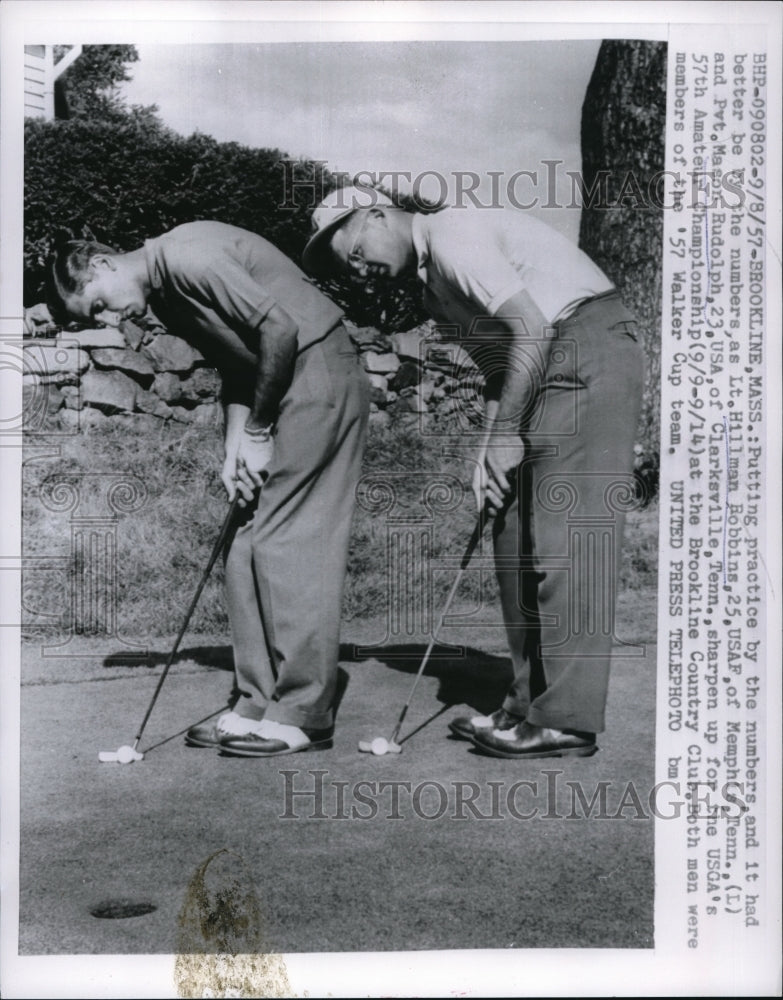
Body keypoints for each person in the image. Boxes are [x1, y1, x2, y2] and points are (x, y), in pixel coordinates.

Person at [304, 185, 645, 759]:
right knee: (510, 532)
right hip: (541, 365)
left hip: (588, 347)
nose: (361, 269)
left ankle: (564, 718)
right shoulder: (433, 285)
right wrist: (489, 447)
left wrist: (508, 433)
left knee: (567, 539)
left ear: (380, 214)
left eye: (357, 249)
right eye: (350, 268)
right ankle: (525, 704)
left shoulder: (453, 233)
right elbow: (500, 361)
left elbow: (532, 330)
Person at [46, 220, 369, 757]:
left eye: (98, 305)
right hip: (281, 384)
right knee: (242, 545)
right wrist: (236, 447)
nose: (109, 319)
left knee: (288, 540)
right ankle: (257, 701)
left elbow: (281, 332)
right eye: (95, 318)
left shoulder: (189, 256)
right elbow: (238, 365)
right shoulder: (166, 297)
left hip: (319, 374)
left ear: (102, 265)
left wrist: (260, 431)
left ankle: (305, 713)